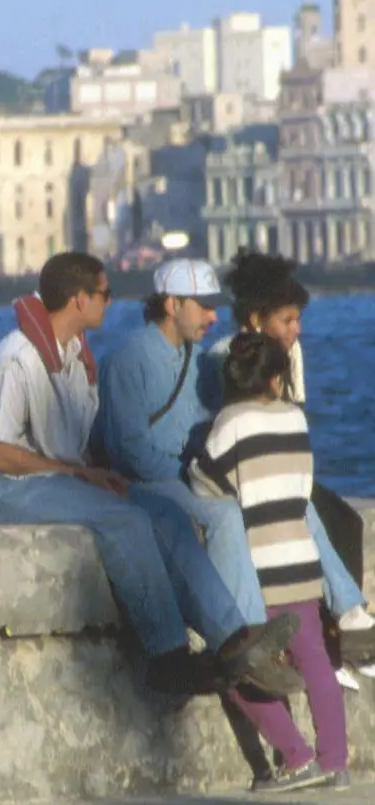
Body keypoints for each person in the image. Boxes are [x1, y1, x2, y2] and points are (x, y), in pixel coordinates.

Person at [0, 251, 299, 698]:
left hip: (61, 478)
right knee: (125, 521)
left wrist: (92, 472)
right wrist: (76, 471)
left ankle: (235, 641)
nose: (111, 302)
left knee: (166, 514)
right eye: (104, 293)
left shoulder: (74, 355)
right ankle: (167, 657)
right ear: (78, 299)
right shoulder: (19, 357)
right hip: (8, 487)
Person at [190, 332, 347, 791]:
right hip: (301, 559)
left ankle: (296, 756)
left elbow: (205, 483)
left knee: (237, 665)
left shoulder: (229, 423)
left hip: (255, 568)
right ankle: (334, 759)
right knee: (315, 660)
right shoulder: (295, 421)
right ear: (277, 379)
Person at [210, 248, 375, 663]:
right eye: (287, 320)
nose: (297, 329)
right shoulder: (224, 357)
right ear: (254, 319)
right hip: (247, 477)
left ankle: (338, 629)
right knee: (310, 518)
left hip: (281, 470)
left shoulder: (290, 357)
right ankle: (345, 618)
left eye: (298, 319)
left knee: (346, 521)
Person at [95, 259, 269, 630]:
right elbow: (128, 451)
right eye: (204, 307)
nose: (213, 317)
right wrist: (191, 476)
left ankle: (255, 626)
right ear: (172, 305)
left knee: (244, 506)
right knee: (221, 514)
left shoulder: (200, 360)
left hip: (183, 476)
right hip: (141, 483)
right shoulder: (128, 359)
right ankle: (244, 631)